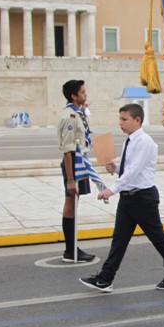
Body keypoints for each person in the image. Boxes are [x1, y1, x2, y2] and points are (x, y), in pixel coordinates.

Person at [79, 103, 164, 292]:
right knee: (119, 240)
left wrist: (111, 190)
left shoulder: (144, 141)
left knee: (157, 237)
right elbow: (130, 169)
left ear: (137, 120)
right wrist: (116, 168)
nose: (120, 123)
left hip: (143, 198)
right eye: (120, 119)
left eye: (124, 119)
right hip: (129, 198)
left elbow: (134, 171)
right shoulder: (131, 140)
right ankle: (106, 279)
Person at [58, 79, 105, 264]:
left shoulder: (78, 113)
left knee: (74, 204)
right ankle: (70, 250)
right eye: (83, 93)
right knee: (71, 203)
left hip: (80, 162)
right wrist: (70, 180)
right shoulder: (69, 117)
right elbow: (68, 150)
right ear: (73, 96)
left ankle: (72, 247)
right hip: (73, 164)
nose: (86, 95)